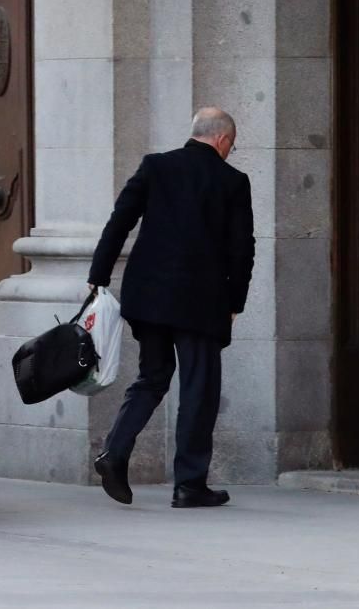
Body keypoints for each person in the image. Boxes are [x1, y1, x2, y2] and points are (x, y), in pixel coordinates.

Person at [87, 107, 255, 508]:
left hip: (149, 297)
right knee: (199, 388)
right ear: (223, 140)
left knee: (152, 377)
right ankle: (190, 485)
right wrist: (236, 302)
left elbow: (119, 221)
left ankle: (115, 451)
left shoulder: (156, 166)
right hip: (201, 302)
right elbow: (242, 248)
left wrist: (99, 275)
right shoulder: (232, 180)